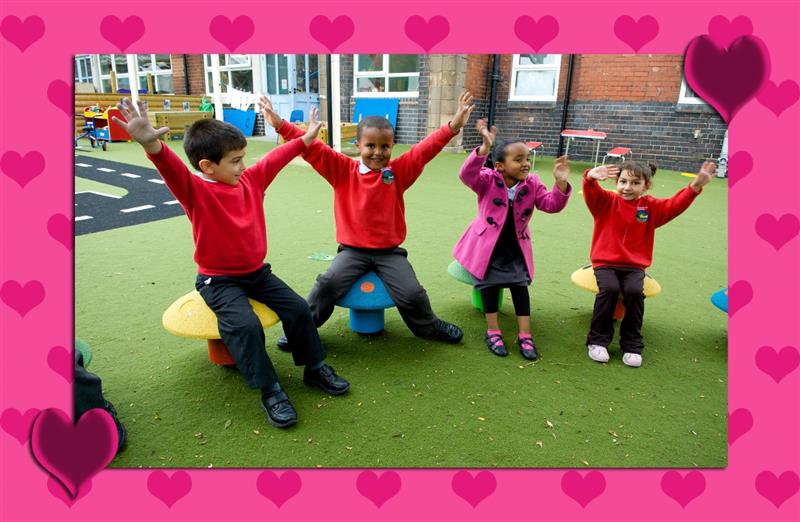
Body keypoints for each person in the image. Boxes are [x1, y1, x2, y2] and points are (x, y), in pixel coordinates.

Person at [112, 99, 350, 429]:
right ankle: (270, 389)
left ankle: (314, 368)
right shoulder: (194, 190)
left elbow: (277, 158)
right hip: (218, 280)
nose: (242, 166)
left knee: (297, 307)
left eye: (242, 158)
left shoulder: (250, 180)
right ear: (208, 166)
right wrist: (152, 144)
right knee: (246, 325)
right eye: (235, 161)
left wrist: (307, 137)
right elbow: (170, 167)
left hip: (256, 273)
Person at [262, 92, 477, 347]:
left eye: (384, 146)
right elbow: (312, 148)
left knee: (412, 293)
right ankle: (303, 330)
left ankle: (429, 327)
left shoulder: (398, 172)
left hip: (390, 254)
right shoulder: (343, 170)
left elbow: (424, 149)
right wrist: (279, 124)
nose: (377, 152)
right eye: (370, 146)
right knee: (326, 284)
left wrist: (453, 127)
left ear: (392, 146)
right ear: (358, 145)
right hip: (352, 252)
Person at [452, 120, 572, 360]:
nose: (525, 163)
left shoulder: (533, 183)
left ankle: (525, 334)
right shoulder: (486, 179)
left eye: (527, 158)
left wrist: (560, 183)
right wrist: (484, 148)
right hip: (487, 247)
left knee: (520, 287)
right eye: (518, 160)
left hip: (515, 247)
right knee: (487, 285)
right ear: (500, 166)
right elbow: (466, 175)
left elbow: (551, 205)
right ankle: (493, 330)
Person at [582, 159, 716, 367]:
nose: (627, 187)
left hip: (634, 266)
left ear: (646, 186)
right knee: (609, 289)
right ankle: (597, 341)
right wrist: (590, 177)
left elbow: (674, 205)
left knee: (635, 292)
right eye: (623, 181)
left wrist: (695, 186)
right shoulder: (606, 202)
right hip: (605, 263)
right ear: (616, 182)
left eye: (635, 183)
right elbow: (591, 192)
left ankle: (632, 345)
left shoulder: (650, 207)